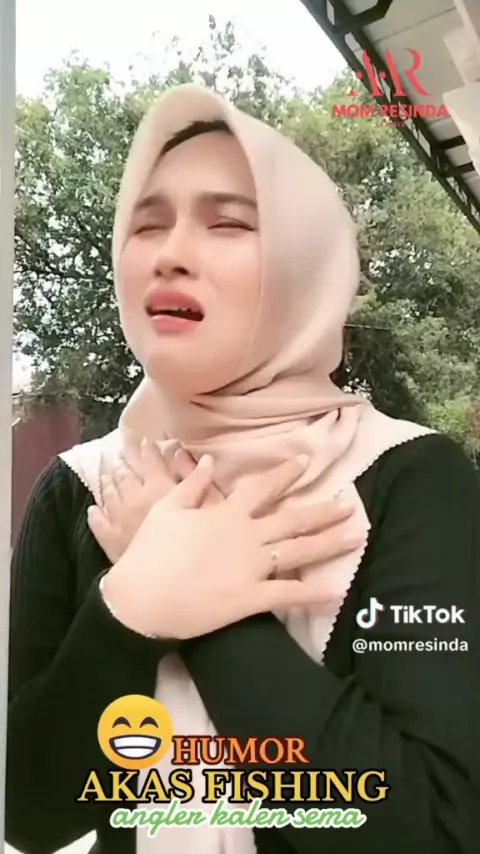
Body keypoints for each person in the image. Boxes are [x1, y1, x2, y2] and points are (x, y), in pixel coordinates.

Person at [6, 83, 478, 854]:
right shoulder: (81, 489)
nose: (170, 253)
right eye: (146, 224)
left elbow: (431, 828)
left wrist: (211, 613)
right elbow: (28, 814)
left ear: (303, 264)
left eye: (227, 223)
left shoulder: (410, 479)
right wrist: (123, 617)